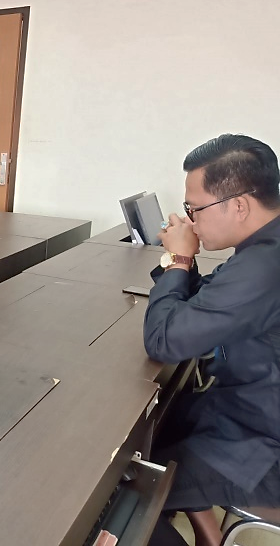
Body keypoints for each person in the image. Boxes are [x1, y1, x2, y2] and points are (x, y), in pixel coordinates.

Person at [144, 134, 280, 546]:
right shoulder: (263, 248)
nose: (192, 220)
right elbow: (206, 299)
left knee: (129, 490)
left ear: (239, 205)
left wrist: (180, 260)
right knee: (154, 429)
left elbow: (164, 340)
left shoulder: (264, 267)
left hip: (262, 446)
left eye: (195, 208)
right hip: (247, 407)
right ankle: (208, 531)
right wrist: (180, 264)